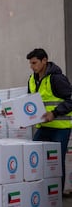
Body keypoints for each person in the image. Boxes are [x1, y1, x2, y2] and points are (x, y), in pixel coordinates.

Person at [26, 48, 72, 191]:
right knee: (35, 159)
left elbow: (70, 100)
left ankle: (56, 200)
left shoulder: (57, 78)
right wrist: (14, 115)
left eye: (34, 63)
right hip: (43, 127)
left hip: (60, 128)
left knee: (56, 163)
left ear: (44, 60)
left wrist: (54, 113)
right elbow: (28, 104)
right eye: (30, 63)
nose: (32, 66)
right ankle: (41, 197)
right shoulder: (32, 79)